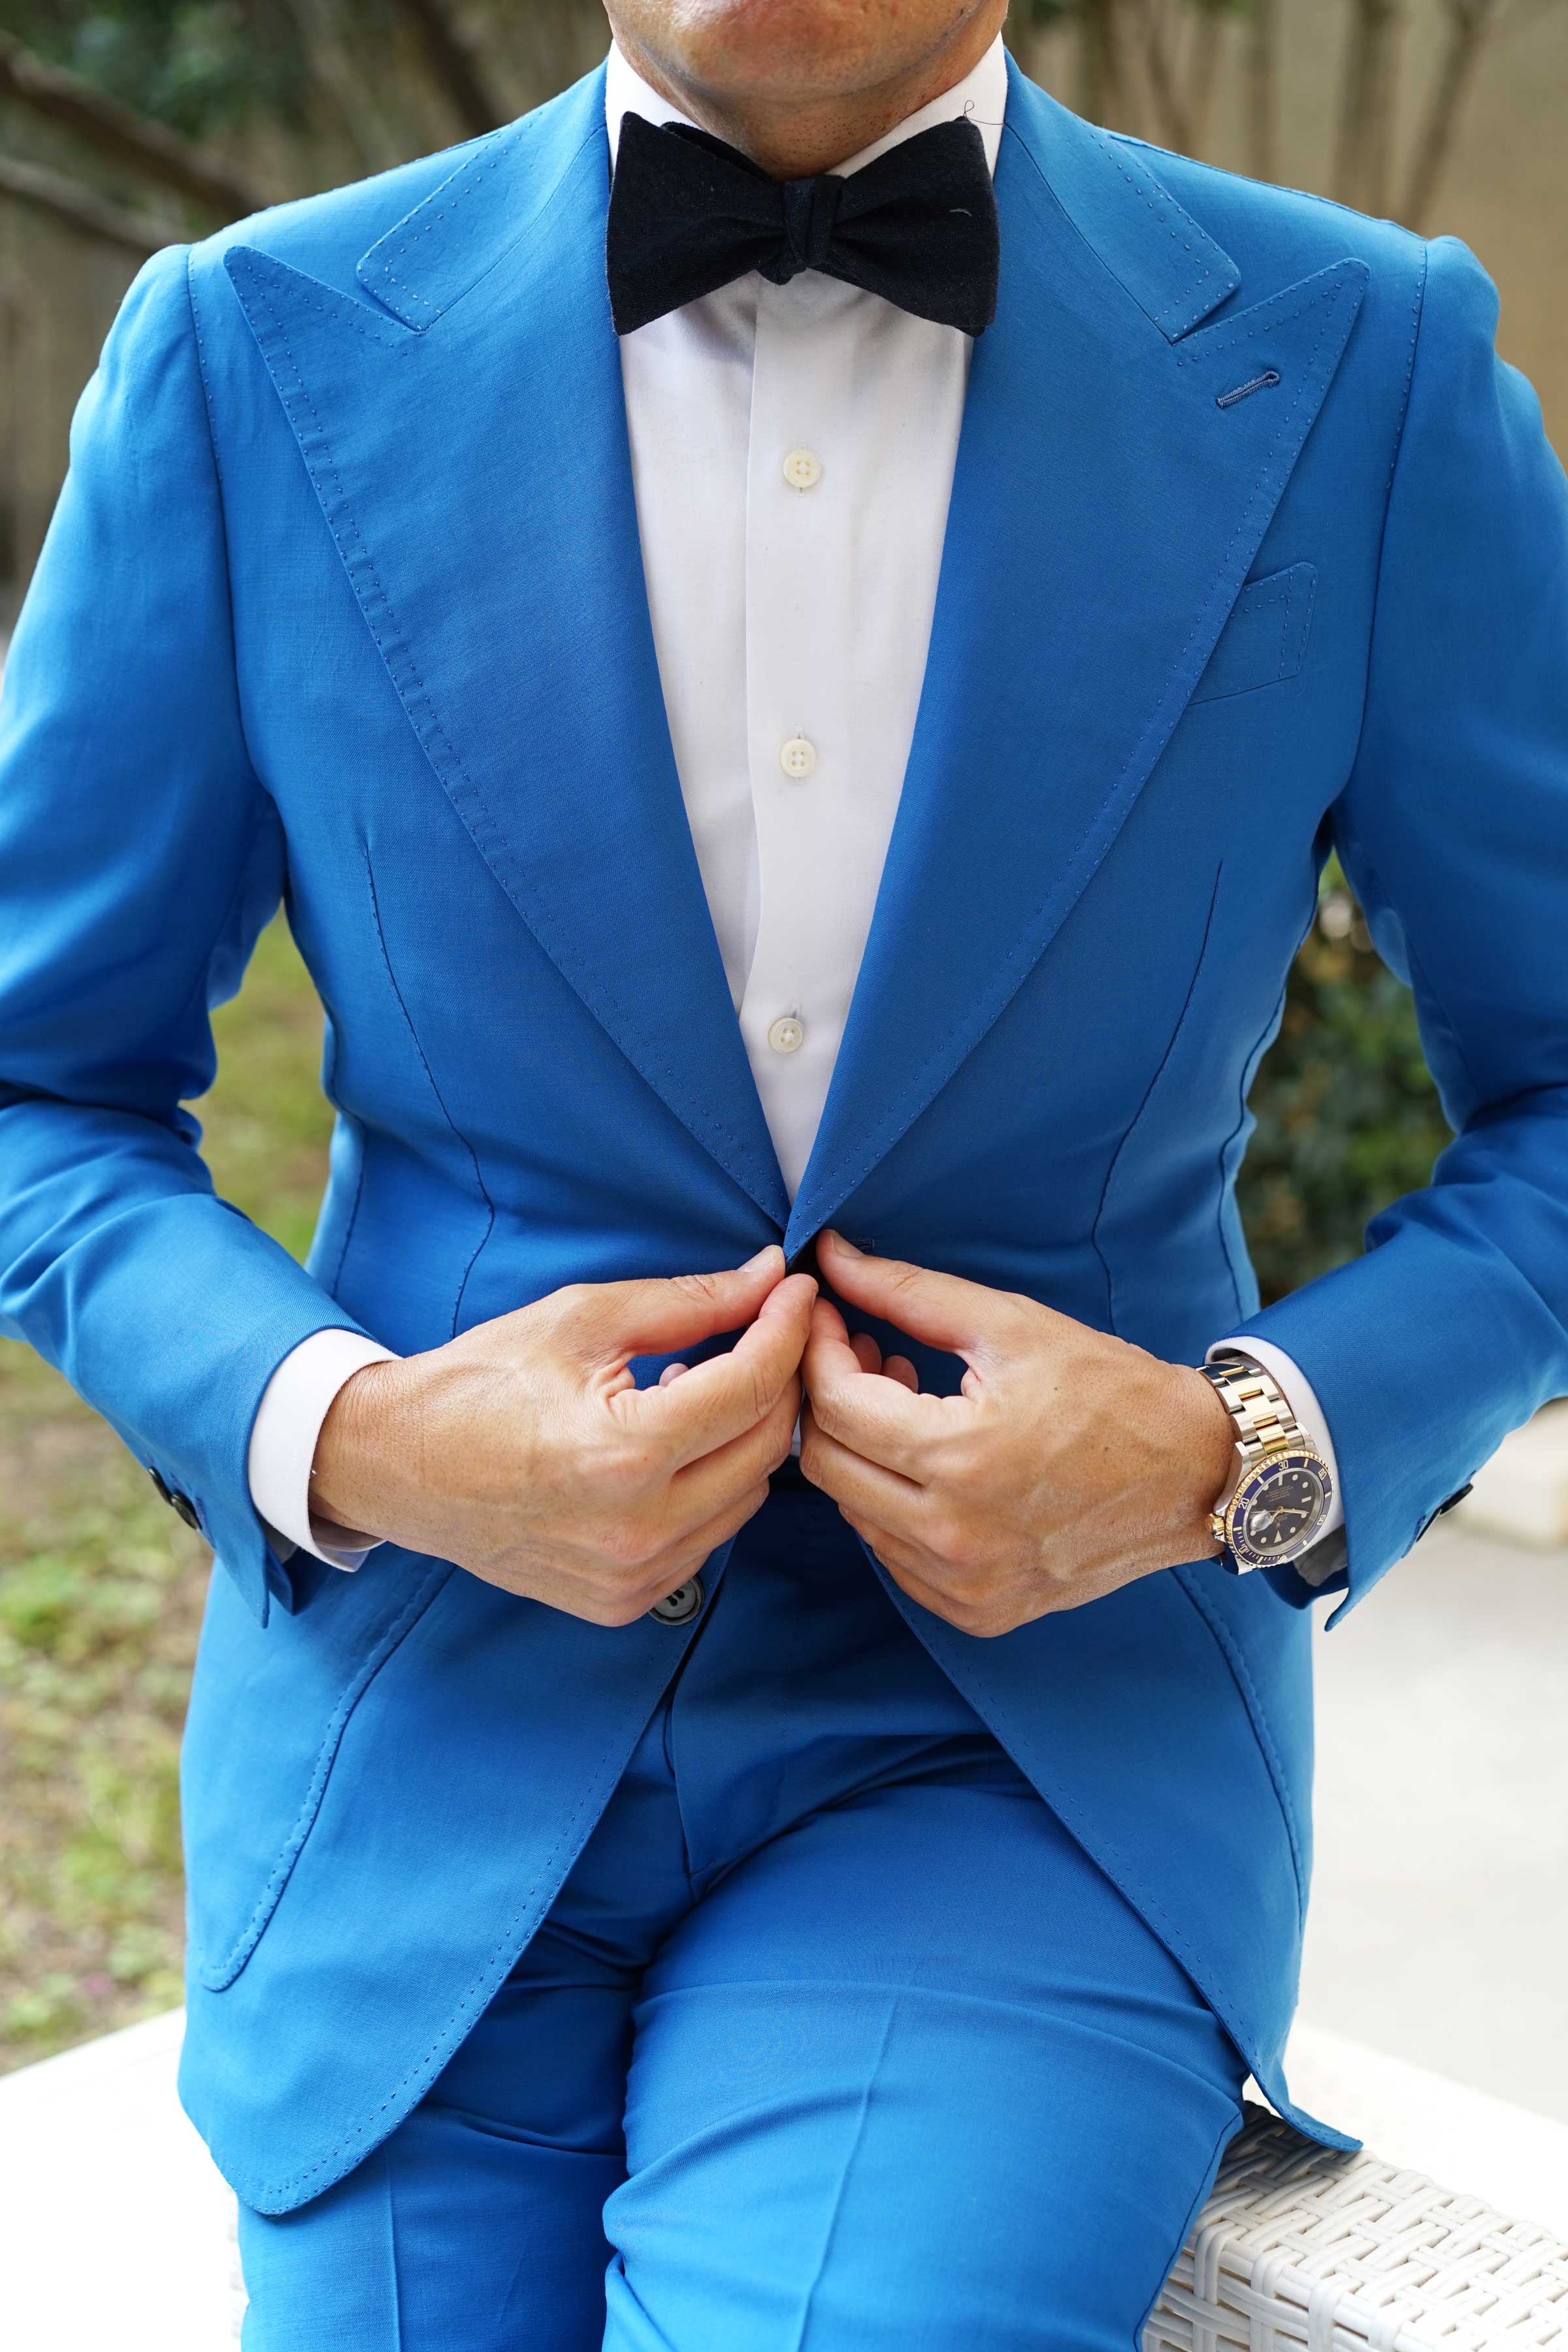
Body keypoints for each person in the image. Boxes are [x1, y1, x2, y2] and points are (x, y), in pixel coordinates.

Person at [2, 0, 1566, 2341]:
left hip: (1020, 1753)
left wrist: (1230, 1449)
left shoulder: (1369, 363)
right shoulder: (244, 353)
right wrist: (367, 1435)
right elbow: (39, 1085)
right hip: (424, 1739)